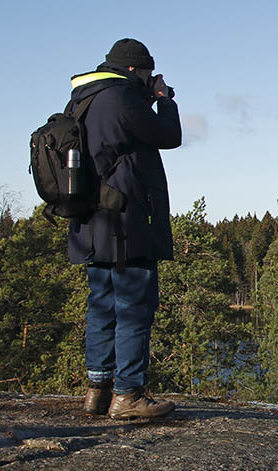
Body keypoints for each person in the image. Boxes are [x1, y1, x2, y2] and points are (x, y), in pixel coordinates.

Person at [67, 38, 181, 419]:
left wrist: (144, 98)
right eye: (148, 72)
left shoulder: (85, 98)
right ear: (134, 70)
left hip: (94, 224)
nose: (151, 78)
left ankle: (97, 391)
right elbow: (169, 136)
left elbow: (118, 136)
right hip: (128, 224)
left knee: (102, 306)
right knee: (134, 307)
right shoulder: (122, 98)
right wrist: (164, 99)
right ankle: (128, 394)